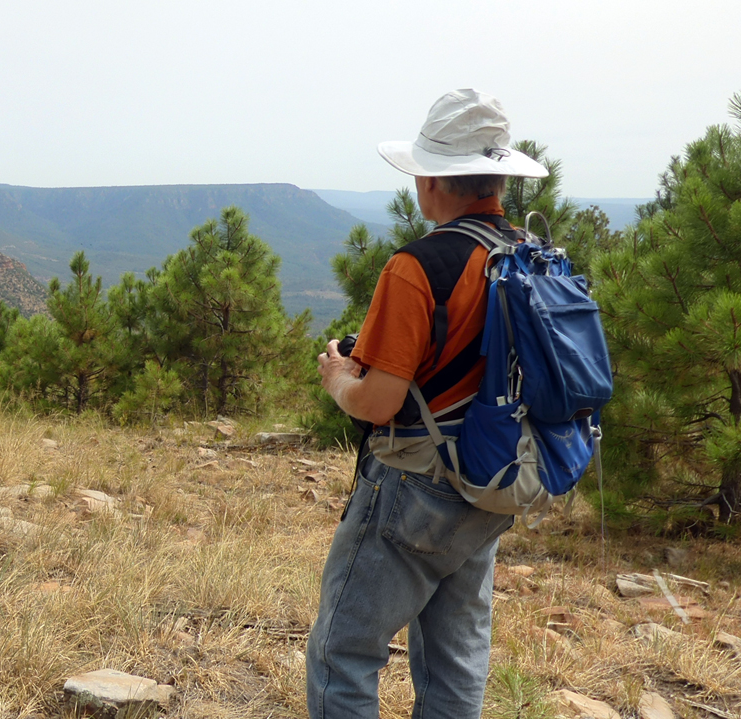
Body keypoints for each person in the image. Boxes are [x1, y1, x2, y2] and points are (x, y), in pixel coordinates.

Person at [306, 89, 550, 719]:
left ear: (435, 180)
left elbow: (379, 403)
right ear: (496, 178)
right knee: (456, 657)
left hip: (417, 487)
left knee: (344, 651)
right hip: (493, 475)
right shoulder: (528, 255)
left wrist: (338, 377)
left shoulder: (417, 267)